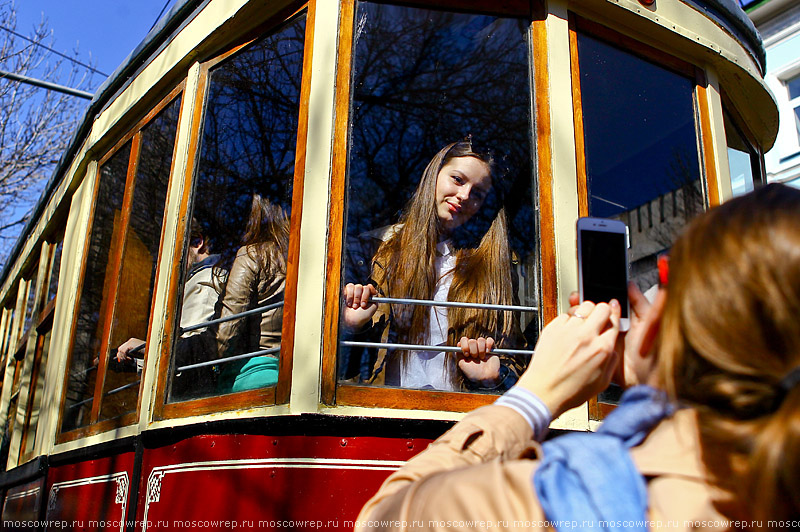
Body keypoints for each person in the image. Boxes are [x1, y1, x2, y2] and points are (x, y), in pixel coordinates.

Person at [356, 184, 800, 530]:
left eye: (663, 281)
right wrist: (658, 379)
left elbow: (385, 519)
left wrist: (532, 396)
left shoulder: (558, 501)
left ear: (665, 316)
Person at [341, 140, 525, 392]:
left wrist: (493, 378)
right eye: (458, 179)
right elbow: (332, 370)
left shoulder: (496, 268)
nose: (464, 195)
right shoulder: (374, 250)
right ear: (434, 175)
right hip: (385, 413)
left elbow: (516, 361)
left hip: (458, 417)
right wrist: (352, 327)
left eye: (478, 193)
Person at [116, 218, 224, 398]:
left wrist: (144, 347)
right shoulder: (200, 279)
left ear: (197, 243)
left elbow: (187, 356)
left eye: (175, 251)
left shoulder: (205, 280)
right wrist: (137, 360)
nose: (170, 261)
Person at [215, 193, 288, 393]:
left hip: (250, 377)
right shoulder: (304, 259)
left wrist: (208, 363)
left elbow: (228, 329)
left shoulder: (252, 254)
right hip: (294, 374)